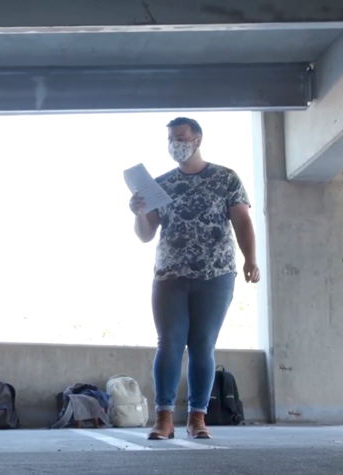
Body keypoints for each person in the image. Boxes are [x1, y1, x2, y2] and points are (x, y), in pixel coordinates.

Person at [129, 117, 259, 440]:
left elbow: (242, 220)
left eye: (181, 137)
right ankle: (164, 418)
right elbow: (146, 235)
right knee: (170, 342)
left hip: (215, 275)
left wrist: (250, 259)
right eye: (171, 139)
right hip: (170, 275)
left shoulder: (226, 178)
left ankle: (197, 418)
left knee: (202, 344)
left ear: (197, 139)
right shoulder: (160, 185)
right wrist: (139, 213)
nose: (176, 144)